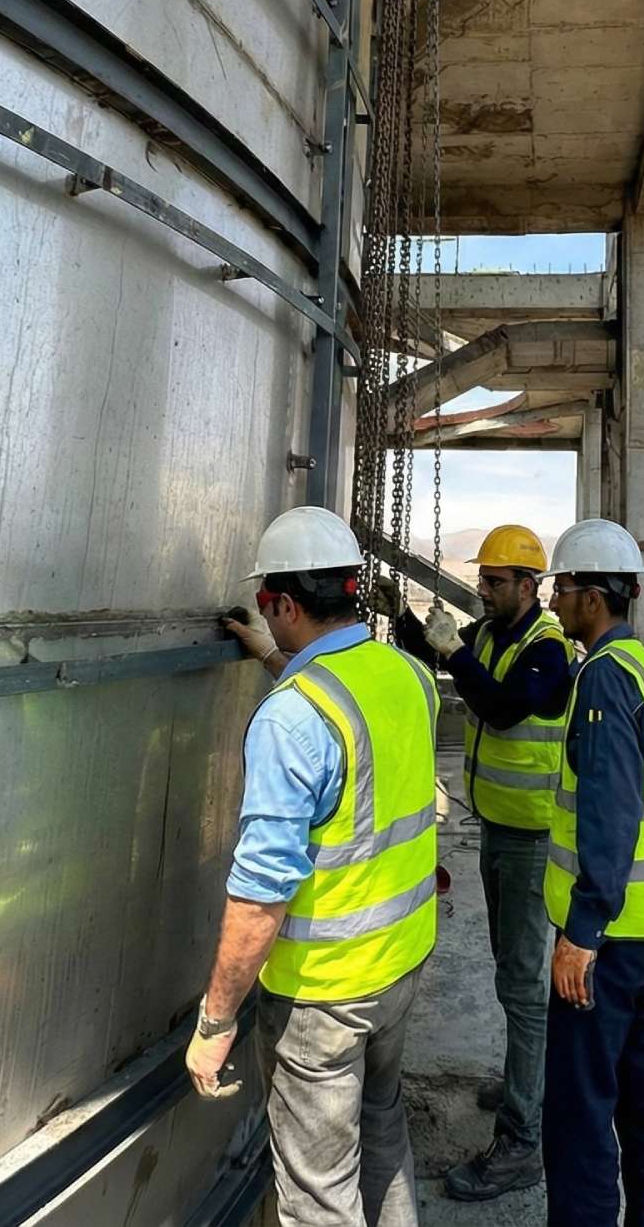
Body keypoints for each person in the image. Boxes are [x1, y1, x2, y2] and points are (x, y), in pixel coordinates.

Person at [193, 505, 440, 1227]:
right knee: (383, 1130)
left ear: (287, 604)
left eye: (271, 605)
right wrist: (270, 654)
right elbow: (342, 722)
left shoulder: (289, 719)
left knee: (317, 1194)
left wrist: (216, 1020)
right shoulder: (409, 677)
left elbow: (260, 896)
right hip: (401, 964)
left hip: (325, 993)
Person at [375, 525, 575, 1201]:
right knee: (508, 974)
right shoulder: (491, 635)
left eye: (495, 581)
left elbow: (500, 704)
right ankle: (526, 1080)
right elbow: (434, 649)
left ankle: (522, 1140)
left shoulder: (549, 653)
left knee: (522, 987)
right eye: (482, 579)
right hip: (497, 828)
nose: (483, 590)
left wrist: (454, 648)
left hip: (530, 842)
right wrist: (399, 615)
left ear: (529, 586)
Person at [539, 519, 644, 1227]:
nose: (555, 602)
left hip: (609, 936)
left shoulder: (603, 678)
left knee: (579, 1113)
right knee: (641, 1096)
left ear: (594, 598)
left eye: (563, 587)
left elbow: (608, 815)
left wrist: (581, 931)